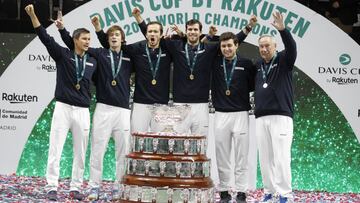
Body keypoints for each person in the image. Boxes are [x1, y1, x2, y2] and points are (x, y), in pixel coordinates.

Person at [132, 7, 256, 136]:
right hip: (179, 104)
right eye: (190, 29)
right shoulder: (175, 46)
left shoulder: (209, 48)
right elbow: (153, 35)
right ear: (186, 31)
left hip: (201, 105)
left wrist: (248, 27)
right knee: (179, 144)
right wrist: (139, 19)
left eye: (195, 29)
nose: (192, 32)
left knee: (201, 143)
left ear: (200, 32)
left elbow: (233, 41)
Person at [54, 16, 132, 200]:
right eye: (111, 35)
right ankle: (94, 187)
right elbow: (75, 45)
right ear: (107, 38)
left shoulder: (130, 57)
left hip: (123, 110)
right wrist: (63, 30)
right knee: (98, 150)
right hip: (103, 108)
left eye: (117, 35)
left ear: (122, 38)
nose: (114, 37)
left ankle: (118, 186)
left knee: (122, 152)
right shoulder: (99, 54)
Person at [24, 4, 97, 201]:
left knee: (80, 153)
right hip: (63, 108)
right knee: (55, 148)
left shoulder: (93, 61)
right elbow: (44, 38)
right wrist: (33, 15)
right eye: (84, 39)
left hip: (83, 111)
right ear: (75, 40)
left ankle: (75, 187)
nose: (88, 42)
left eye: (89, 39)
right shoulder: (63, 55)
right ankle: (51, 186)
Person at [95, 15, 172, 133]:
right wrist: (99, 30)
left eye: (155, 32)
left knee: (160, 143)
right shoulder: (137, 49)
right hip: (140, 104)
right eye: (150, 31)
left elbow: (187, 44)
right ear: (146, 34)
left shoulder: (168, 50)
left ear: (161, 35)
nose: (152, 34)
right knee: (136, 141)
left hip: (161, 105)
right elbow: (113, 45)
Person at [254, 12, 297, 203]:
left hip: (281, 116)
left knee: (281, 158)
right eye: (261, 46)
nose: (264, 49)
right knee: (265, 159)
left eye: (267, 46)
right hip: (261, 117)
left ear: (275, 47)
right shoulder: (257, 66)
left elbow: (292, 47)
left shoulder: (284, 60)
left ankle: (285, 194)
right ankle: (269, 191)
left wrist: (282, 29)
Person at [212, 31, 256, 203]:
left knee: (241, 156)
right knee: (222, 156)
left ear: (236, 45)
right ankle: (223, 190)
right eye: (223, 46)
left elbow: (252, 85)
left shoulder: (246, 64)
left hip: (241, 114)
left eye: (230, 45)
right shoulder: (215, 63)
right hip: (221, 114)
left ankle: (241, 191)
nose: (226, 49)